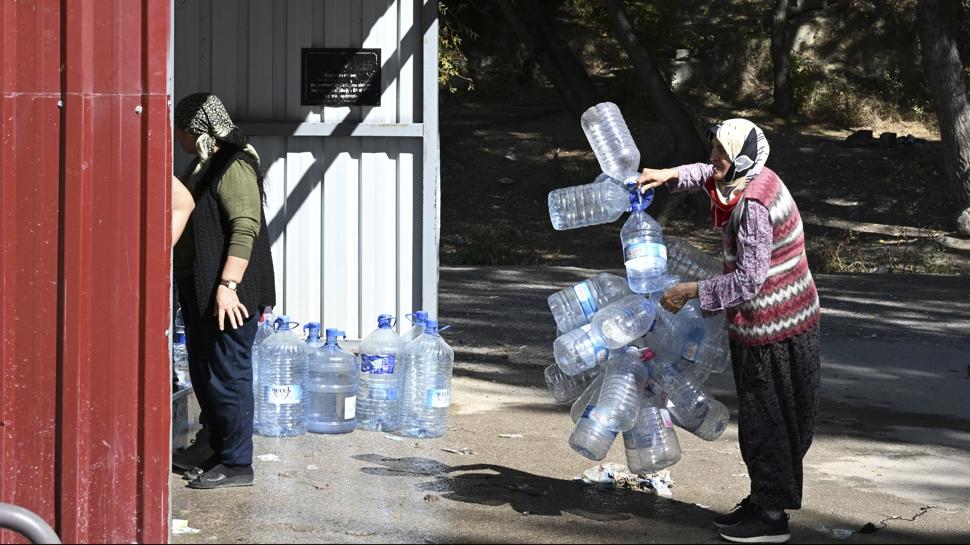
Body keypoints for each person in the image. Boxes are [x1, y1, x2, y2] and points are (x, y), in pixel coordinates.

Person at [638, 119, 821, 544]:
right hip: (788, 320)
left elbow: (748, 282)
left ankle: (771, 516)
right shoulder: (753, 176)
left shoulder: (753, 207)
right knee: (769, 421)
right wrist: (668, 174)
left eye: (722, 152)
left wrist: (689, 291)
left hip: (774, 330)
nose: (713, 159)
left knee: (769, 423)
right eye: (714, 149)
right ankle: (764, 500)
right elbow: (709, 174)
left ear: (740, 158)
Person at [172, 92, 276, 489]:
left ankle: (237, 463)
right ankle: (213, 445)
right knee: (206, 372)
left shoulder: (235, 165)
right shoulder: (203, 165)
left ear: (196, 129)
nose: (177, 136)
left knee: (228, 374)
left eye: (180, 128)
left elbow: (245, 227)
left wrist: (228, 286)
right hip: (202, 289)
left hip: (229, 293)